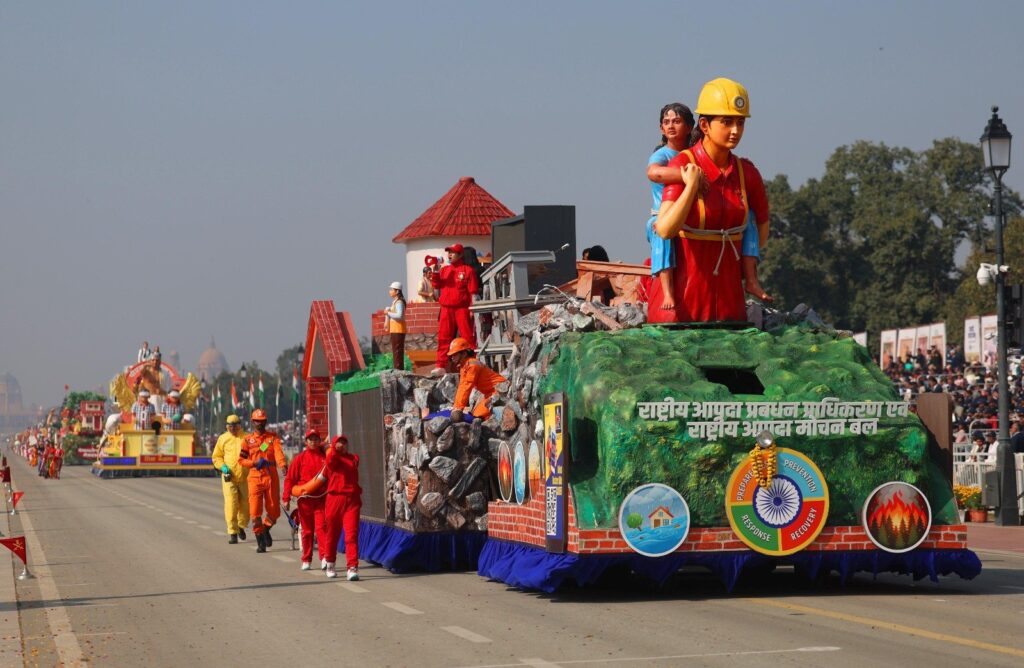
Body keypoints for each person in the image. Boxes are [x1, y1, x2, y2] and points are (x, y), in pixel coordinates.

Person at [652, 78, 770, 323]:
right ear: (704, 125)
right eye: (726, 122)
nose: (735, 130)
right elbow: (664, 229)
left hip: (729, 307)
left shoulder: (746, 173)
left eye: (740, 122)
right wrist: (691, 187)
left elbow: (762, 229)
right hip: (683, 307)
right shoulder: (683, 164)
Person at [645, 103, 694, 312]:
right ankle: (668, 291)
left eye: (676, 121)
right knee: (661, 231)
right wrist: (688, 177)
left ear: (689, 127)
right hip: (663, 215)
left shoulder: (695, 154)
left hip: (691, 215)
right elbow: (653, 172)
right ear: (661, 128)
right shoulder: (662, 155)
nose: (671, 126)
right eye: (667, 122)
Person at [239, 408, 287, 553]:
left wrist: (283, 465)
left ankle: (266, 529)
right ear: (252, 422)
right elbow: (241, 460)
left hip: (271, 477)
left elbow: (278, 453)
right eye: (256, 421)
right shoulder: (247, 440)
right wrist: (254, 463)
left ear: (265, 421)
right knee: (255, 514)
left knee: (274, 511)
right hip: (254, 477)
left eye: (261, 421)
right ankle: (260, 541)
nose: (259, 423)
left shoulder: (272, 438)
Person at [430, 243, 480, 375]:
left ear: (460, 254)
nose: (449, 255)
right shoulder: (444, 270)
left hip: (462, 309)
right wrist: (435, 271)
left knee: (467, 336)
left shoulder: (468, 270)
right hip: (446, 309)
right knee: (443, 337)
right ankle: (441, 365)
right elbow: (436, 285)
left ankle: (471, 362)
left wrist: (472, 309)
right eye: (449, 252)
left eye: (453, 252)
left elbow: (473, 292)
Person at [283, 429, 329, 570]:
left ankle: (324, 557)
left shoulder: (325, 457)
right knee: (307, 531)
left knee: (321, 528)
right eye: (311, 439)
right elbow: (290, 479)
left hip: (321, 499)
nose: (313, 442)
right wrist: (286, 498)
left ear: (319, 441)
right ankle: (306, 559)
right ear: (306, 442)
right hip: (305, 500)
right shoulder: (300, 458)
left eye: (316, 439)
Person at [323, 435, 362, 580]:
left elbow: (354, 462)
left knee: (351, 534)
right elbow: (330, 462)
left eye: (345, 443)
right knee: (332, 533)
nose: (342, 445)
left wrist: (337, 449)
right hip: (335, 499)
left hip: (352, 500)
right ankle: (330, 563)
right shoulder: (332, 458)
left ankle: (352, 567)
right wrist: (334, 450)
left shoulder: (353, 458)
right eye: (339, 443)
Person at [448, 338, 507, 422]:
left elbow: (466, 387)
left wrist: (458, 408)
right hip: (491, 393)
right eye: (451, 355)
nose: (452, 357)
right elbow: (462, 387)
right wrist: (456, 407)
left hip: (500, 391)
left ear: (464, 354)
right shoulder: (464, 366)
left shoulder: (472, 366)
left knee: (479, 416)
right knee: (476, 414)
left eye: (455, 354)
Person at [212, 415, 250, 544]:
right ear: (226, 426)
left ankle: (241, 526)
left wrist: (267, 446)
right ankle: (233, 532)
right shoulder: (223, 438)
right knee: (231, 505)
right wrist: (222, 467)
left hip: (245, 477)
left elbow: (259, 449)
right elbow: (216, 457)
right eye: (230, 426)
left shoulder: (247, 437)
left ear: (240, 425)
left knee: (246, 505)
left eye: (235, 425)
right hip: (229, 477)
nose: (232, 428)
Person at [384, 282, 407, 371]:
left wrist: (388, 313)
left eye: (392, 290)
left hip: (398, 329)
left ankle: (398, 369)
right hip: (395, 329)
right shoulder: (395, 302)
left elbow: (399, 316)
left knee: (397, 351)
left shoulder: (399, 302)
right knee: (396, 351)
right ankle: (397, 368)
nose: (390, 291)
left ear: (397, 291)